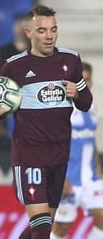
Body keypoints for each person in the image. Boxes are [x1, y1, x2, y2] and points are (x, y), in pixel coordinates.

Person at [0, 4, 93, 238]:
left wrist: (77, 93)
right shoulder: (14, 67)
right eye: (42, 30)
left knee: (42, 227)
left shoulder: (71, 61)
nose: (49, 36)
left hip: (59, 156)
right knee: (41, 228)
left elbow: (86, 102)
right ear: (28, 32)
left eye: (53, 30)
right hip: (29, 157)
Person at [51, 62, 103, 239]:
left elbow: (90, 141)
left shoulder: (92, 108)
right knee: (61, 229)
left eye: (87, 80)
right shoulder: (62, 108)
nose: (85, 84)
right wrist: (60, 177)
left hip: (91, 179)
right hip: (69, 179)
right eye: (81, 80)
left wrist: (98, 170)